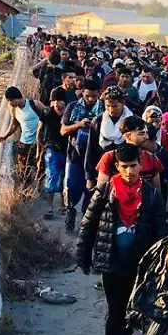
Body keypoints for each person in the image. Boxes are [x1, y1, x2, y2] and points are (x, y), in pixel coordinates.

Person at [76, 144, 168, 335]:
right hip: (113, 263)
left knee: (142, 310)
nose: (129, 171)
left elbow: (161, 233)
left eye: (134, 166)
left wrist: (164, 265)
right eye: (124, 167)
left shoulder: (151, 196)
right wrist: (83, 257)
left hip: (142, 266)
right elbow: (89, 225)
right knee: (115, 312)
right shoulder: (105, 191)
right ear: (117, 166)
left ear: (141, 165)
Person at [61, 79, 104, 231]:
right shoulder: (72, 107)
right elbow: (63, 130)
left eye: (94, 96)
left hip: (94, 159)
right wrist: (79, 124)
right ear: (82, 93)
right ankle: (70, 211)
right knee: (73, 188)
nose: (91, 100)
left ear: (99, 94)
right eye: (87, 96)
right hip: (75, 157)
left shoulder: (104, 110)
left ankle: (85, 225)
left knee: (90, 194)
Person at [95, 116, 164, 186]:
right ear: (128, 136)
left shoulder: (152, 159)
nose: (146, 137)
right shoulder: (109, 157)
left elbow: (155, 193)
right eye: (141, 133)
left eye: (146, 133)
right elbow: (101, 190)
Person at [0, 85, 46, 184]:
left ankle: (40, 190)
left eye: (11, 100)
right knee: (23, 173)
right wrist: (5, 136)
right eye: (8, 101)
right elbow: (14, 125)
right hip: (24, 144)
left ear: (16, 98)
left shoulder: (35, 104)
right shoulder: (13, 109)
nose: (10, 103)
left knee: (41, 169)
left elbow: (48, 118)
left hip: (38, 144)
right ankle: (26, 194)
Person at [38, 88, 70, 220]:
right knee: (51, 175)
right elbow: (39, 131)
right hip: (52, 149)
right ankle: (49, 207)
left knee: (64, 177)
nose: (57, 103)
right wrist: (38, 150)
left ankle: (63, 205)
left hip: (68, 150)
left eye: (60, 100)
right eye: (54, 101)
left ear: (65, 102)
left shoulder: (69, 114)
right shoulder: (47, 113)